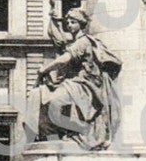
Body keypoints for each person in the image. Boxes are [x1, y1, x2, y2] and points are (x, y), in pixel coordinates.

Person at [36, 9, 122, 151]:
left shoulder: (83, 42)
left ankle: (78, 130)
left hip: (86, 84)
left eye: (73, 22)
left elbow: (65, 59)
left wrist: (45, 69)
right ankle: (68, 131)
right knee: (49, 100)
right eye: (68, 22)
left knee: (55, 100)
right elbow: (59, 41)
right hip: (76, 81)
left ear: (81, 24)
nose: (69, 25)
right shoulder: (74, 42)